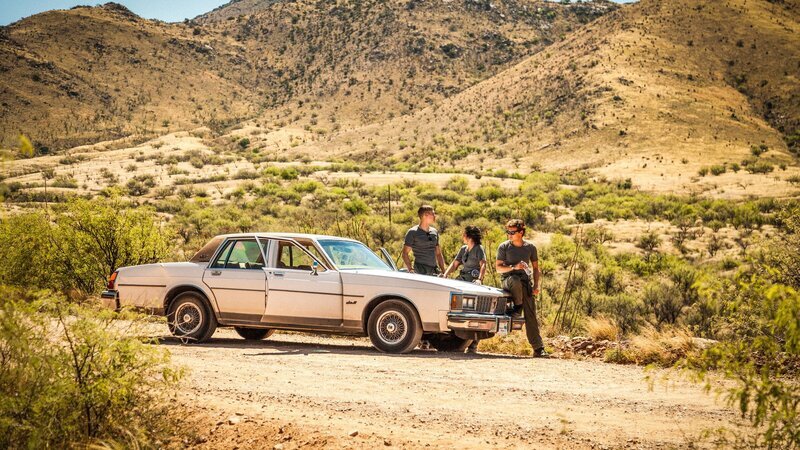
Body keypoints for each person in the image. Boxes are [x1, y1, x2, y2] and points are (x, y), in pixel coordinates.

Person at [495, 219, 548, 358]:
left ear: (521, 232)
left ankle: (538, 348)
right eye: (508, 232)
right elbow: (498, 268)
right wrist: (513, 267)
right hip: (509, 281)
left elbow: (536, 268)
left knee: (531, 315)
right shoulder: (504, 247)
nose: (509, 235)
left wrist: (536, 286)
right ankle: (518, 307)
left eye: (512, 232)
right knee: (515, 280)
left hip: (525, 283)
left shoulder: (530, 247)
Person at [442, 225, 487, 353]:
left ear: (468, 236)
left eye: (464, 234)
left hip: (472, 283)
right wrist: (445, 275)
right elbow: (455, 264)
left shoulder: (479, 249)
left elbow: (483, 264)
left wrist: (479, 278)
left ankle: (474, 344)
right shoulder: (463, 249)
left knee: (476, 313)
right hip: (461, 281)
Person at [402, 205, 446, 276]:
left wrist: (444, 271)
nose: (435, 216)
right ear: (425, 215)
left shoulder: (434, 231)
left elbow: (438, 254)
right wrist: (410, 269)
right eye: (433, 214)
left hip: (434, 270)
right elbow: (405, 253)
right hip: (420, 270)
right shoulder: (412, 232)